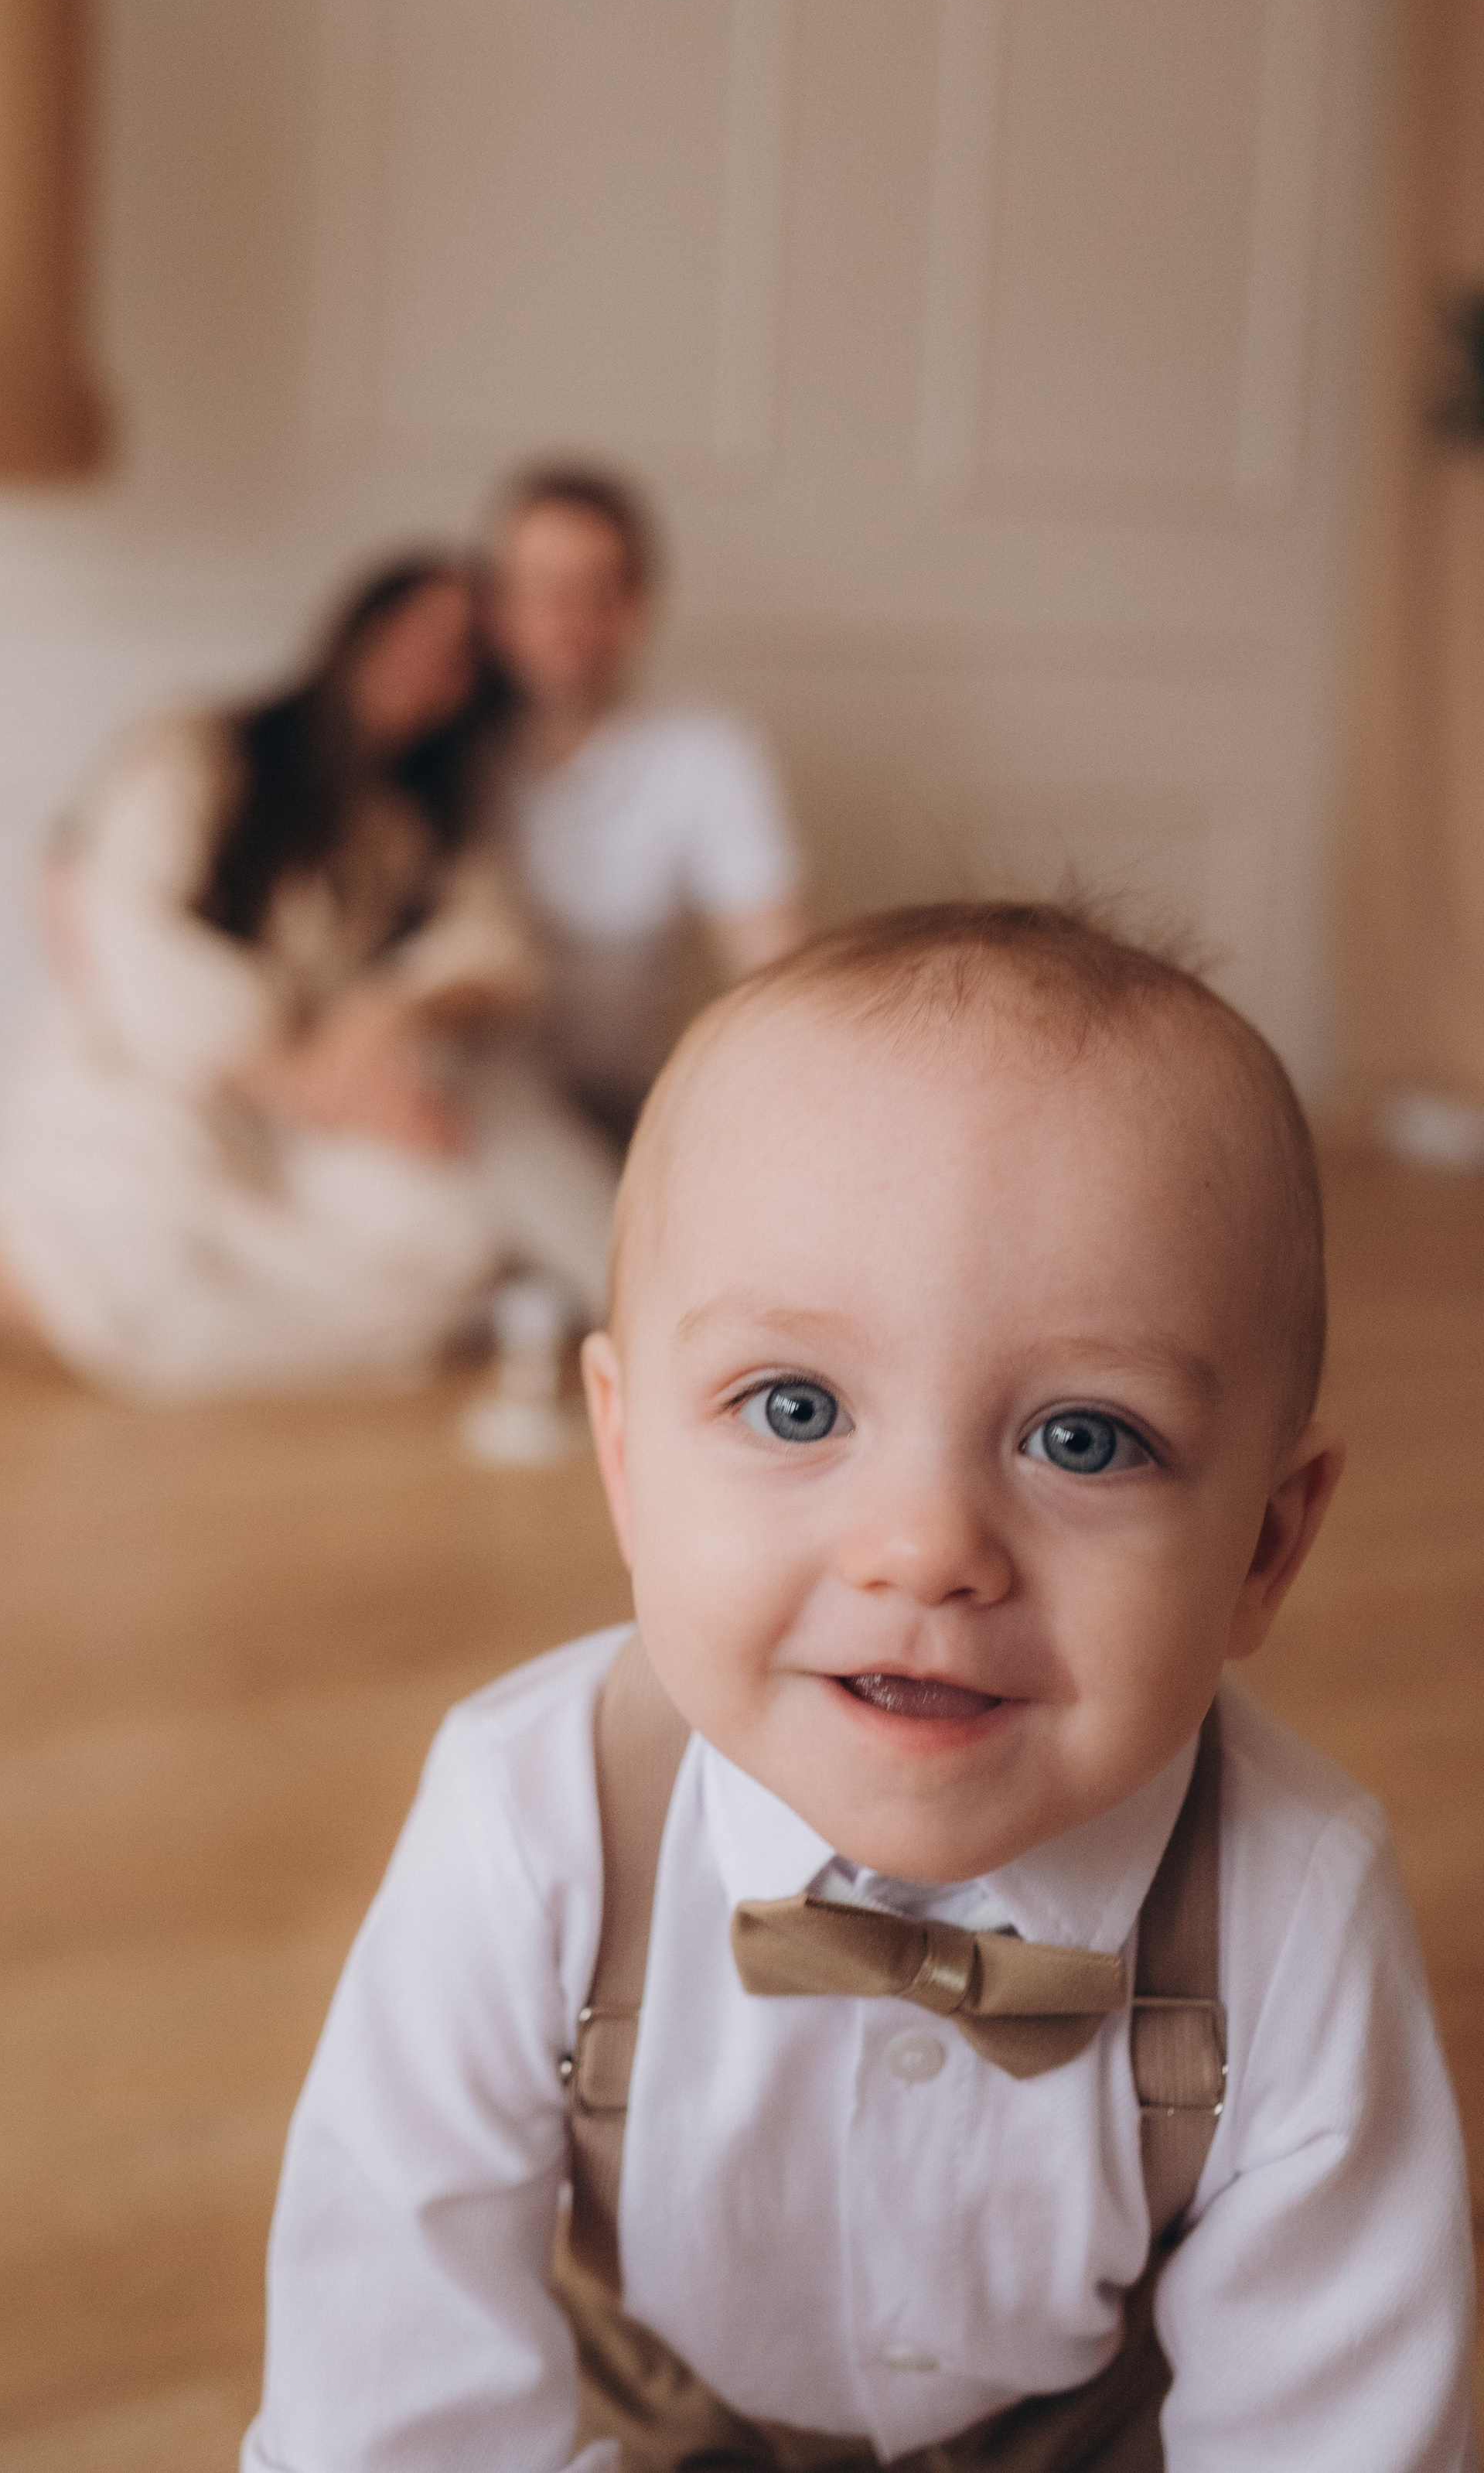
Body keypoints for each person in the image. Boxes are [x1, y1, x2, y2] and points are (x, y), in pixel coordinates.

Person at [244, 900, 1477, 2471]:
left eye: (1079, 1438)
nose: (922, 1550)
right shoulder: (529, 1816)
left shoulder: (1291, 1905)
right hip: (651, 2408)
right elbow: (389, 2370)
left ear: (1263, 1544)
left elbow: (1336, 2426)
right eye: (795, 1403)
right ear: (623, 1463)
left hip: (1094, 2424)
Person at [0, 556, 618, 1392]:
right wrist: (297, 1077)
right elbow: (131, 944)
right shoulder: (201, 747)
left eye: (460, 657)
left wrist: (386, 1017)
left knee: (443, 1234)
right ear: (356, 627)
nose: (428, 665)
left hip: (300, 1122)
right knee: (138, 1247)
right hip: (148, 1073)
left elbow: (492, 954)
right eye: (412, 631)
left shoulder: (432, 822)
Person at [485, 463, 807, 1139]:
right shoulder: (446, 754)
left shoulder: (706, 753)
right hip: (474, 1099)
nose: (567, 619)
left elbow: (775, 968)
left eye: (595, 590)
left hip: (632, 1098)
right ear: (499, 607)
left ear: (637, 605)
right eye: (541, 590)